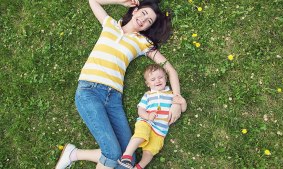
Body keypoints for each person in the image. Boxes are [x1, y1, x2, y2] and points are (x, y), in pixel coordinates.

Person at [55, 0, 185, 169]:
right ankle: (74, 154)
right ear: (135, 10)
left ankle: (74, 154)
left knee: (127, 162)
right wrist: (119, 1)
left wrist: (176, 100)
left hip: (113, 99)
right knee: (112, 153)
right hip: (89, 91)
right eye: (144, 14)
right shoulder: (110, 25)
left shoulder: (142, 43)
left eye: (149, 22)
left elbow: (170, 70)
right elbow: (93, 1)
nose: (143, 20)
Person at [118, 64, 187, 169]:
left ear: (166, 78)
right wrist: (147, 116)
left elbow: (182, 109)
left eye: (160, 77)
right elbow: (140, 110)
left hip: (160, 130)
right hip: (146, 122)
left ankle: (139, 166)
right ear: (148, 84)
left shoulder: (172, 94)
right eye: (153, 79)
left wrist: (182, 101)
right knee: (140, 136)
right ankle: (127, 155)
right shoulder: (148, 95)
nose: (157, 81)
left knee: (150, 151)